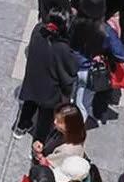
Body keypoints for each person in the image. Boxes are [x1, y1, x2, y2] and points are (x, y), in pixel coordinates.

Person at [15, 8, 79, 139]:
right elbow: (69, 73)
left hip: (33, 80)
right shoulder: (63, 49)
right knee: (45, 118)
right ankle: (39, 142)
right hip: (50, 91)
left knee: (29, 104)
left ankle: (21, 128)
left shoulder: (38, 30)